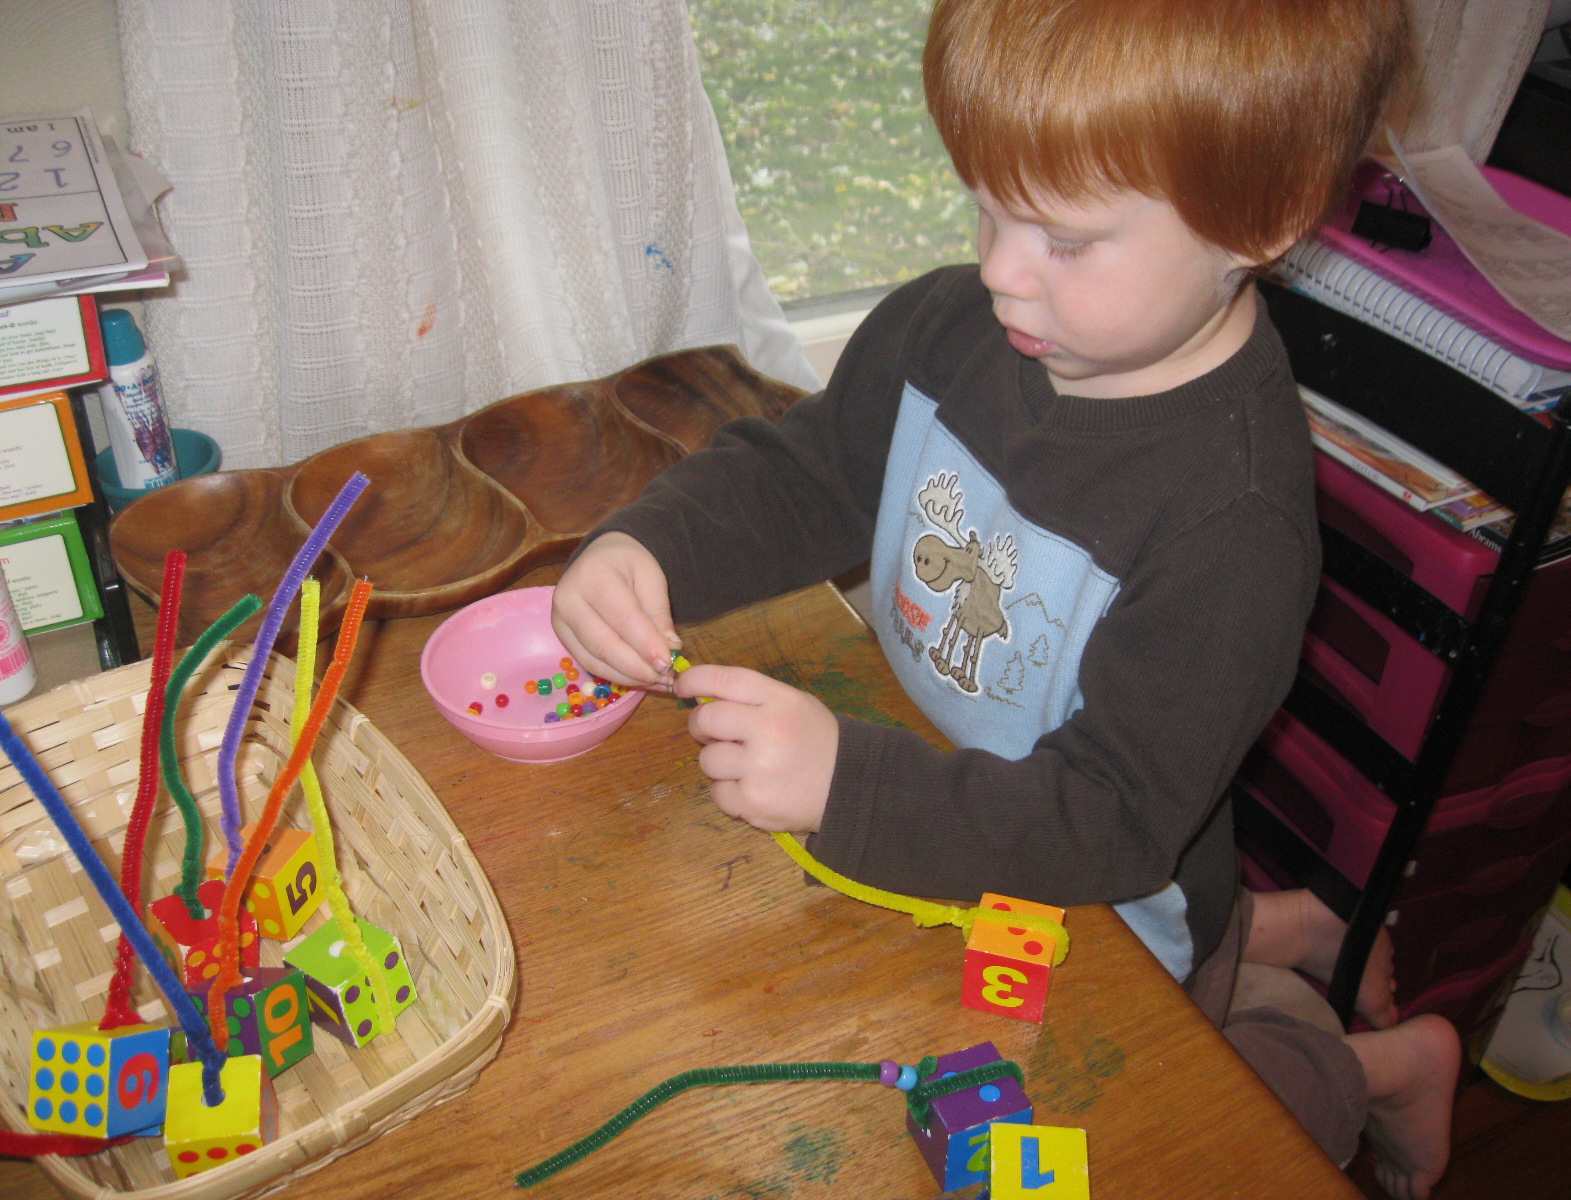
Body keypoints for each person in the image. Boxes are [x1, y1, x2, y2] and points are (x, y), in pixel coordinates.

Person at [552, 1, 1457, 1195]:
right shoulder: (956, 323)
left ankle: (1377, 1068)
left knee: (1139, 1146)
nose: (996, 270)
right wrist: (649, 545)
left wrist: (849, 784)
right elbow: (813, 471)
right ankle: (1281, 926)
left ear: (1261, 221)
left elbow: (1117, 818)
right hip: (940, 788)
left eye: (1063, 239)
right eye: (986, 208)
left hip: (1103, 890)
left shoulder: (1234, 528)